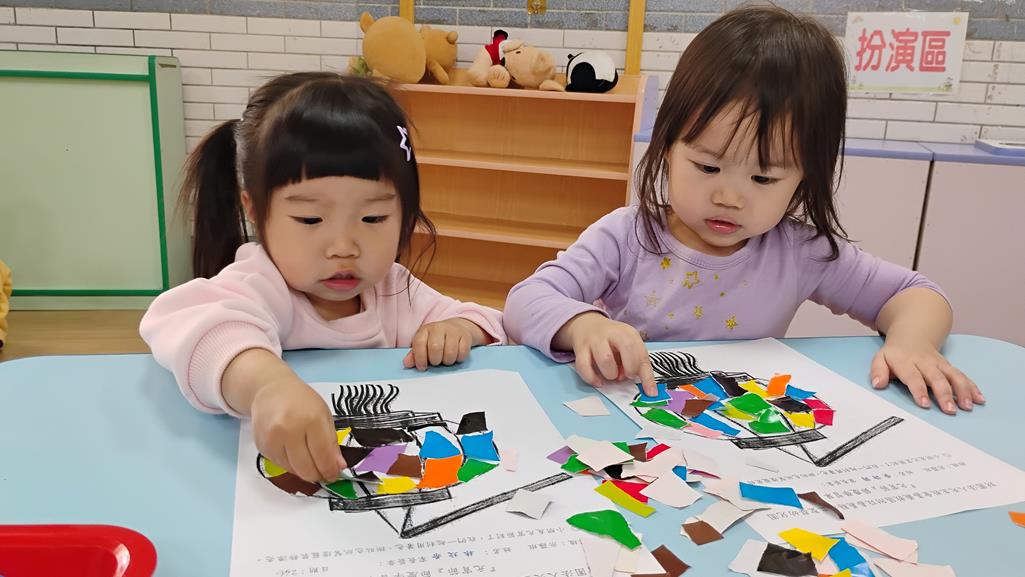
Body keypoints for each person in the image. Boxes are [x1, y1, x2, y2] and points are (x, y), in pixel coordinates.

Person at [505, 6, 982, 415]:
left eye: (763, 179)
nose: (730, 197)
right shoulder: (626, 236)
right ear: (667, 148)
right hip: (627, 425)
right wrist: (585, 325)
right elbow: (525, 302)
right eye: (708, 167)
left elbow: (916, 294)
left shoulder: (801, 252)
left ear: (804, 177)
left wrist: (911, 341)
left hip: (734, 429)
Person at [141, 72, 505, 484]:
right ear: (255, 211)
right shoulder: (261, 282)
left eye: (373, 218)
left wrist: (459, 329)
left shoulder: (393, 289)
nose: (343, 247)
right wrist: (266, 386)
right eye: (311, 219)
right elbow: (188, 323)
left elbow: (488, 322)